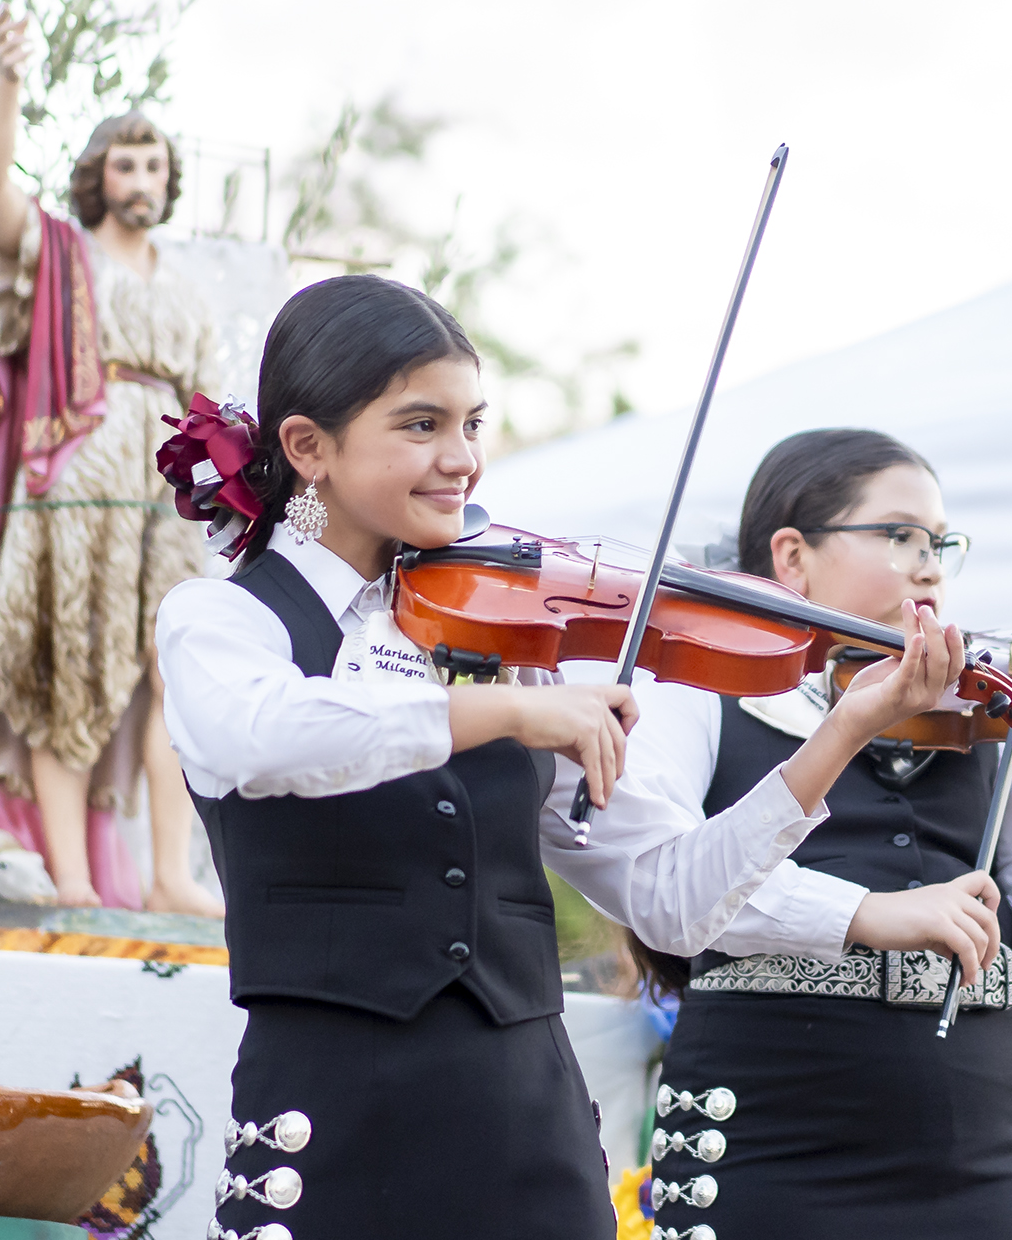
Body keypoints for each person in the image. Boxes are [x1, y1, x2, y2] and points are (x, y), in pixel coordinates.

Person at [154, 278, 969, 1240]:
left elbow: (669, 894)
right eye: (421, 425)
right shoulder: (224, 619)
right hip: (331, 1126)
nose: (462, 461)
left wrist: (843, 732)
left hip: (526, 1132)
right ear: (307, 447)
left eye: (473, 423)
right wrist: (503, 712)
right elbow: (265, 736)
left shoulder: (507, 639)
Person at [587, 428, 1006, 1239]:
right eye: (898, 537)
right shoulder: (693, 686)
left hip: (979, 1161)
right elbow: (669, 884)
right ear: (791, 556)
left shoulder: (978, 721)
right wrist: (864, 912)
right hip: (771, 1150)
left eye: (940, 545)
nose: (927, 566)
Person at [0, 7, 222, 915]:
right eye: (126, 162)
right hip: (79, 482)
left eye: (156, 165)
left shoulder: (185, 289)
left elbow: (210, 403)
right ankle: (71, 876)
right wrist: (11, 80)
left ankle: (170, 873)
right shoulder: (60, 253)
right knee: (76, 664)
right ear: (98, 176)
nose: (141, 177)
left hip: (167, 495)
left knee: (176, 672)